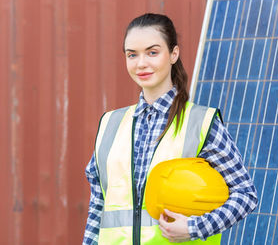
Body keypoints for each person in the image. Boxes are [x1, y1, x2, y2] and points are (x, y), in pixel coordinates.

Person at [83, 13, 258, 245]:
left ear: (173, 54)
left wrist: (195, 228)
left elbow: (246, 195)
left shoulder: (200, 122)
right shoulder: (110, 124)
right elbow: (97, 208)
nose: (141, 63)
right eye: (132, 55)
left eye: (152, 52)